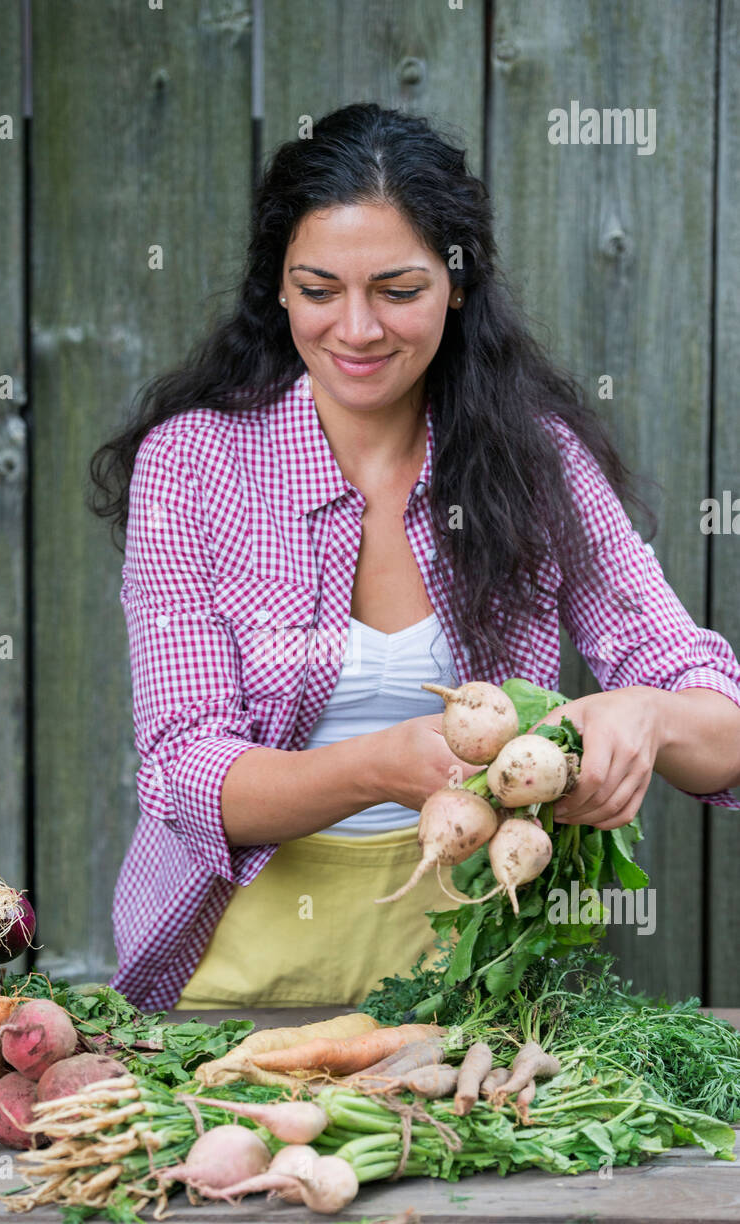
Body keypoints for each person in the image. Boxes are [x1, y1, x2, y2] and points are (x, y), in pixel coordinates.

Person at [89, 103, 740, 1013]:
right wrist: (380, 765)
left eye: (398, 291)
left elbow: (723, 728)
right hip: (232, 992)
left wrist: (653, 716)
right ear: (276, 287)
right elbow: (184, 770)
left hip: (476, 992)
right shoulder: (195, 465)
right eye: (318, 290)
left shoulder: (533, 460)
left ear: (457, 284)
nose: (355, 329)